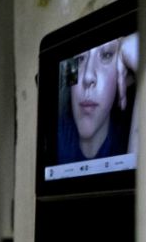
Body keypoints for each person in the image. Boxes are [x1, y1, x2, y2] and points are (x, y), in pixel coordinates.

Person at [57, 32, 139, 164]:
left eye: (106, 55)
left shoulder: (127, 134)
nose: (88, 77)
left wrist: (142, 67)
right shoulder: (55, 139)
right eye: (80, 59)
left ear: (124, 74)